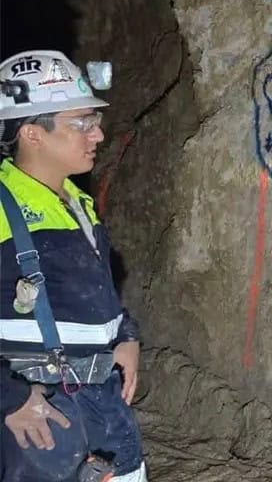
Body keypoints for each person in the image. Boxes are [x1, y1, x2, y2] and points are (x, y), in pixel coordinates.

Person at [0, 50, 147, 480]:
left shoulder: (77, 204)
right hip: (39, 424)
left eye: (94, 122)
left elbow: (97, 296)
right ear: (32, 134)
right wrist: (9, 398)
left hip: (103, 407)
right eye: (81, 123)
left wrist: (126, 335)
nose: (97, 134)